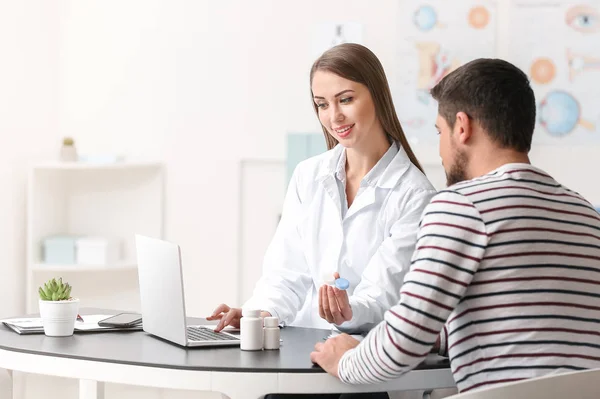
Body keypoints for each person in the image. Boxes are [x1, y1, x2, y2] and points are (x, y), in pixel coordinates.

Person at [310, 58, 600, 393]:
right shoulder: (586, 215)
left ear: (461, 127)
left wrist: (344, 359)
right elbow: (526, 328)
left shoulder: (461, 206)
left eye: (439, 131)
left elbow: (405, 340)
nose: (441, 149)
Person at [207, 43, 436, 338]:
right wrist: (258, 315)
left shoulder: (415, 195)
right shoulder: (308, 176)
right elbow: (285, 273)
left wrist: (348, 312)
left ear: (378, 96)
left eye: (346, 99)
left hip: (366, 360)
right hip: (301, 351)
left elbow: (383, 296)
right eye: (322, 104)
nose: (334, 116)